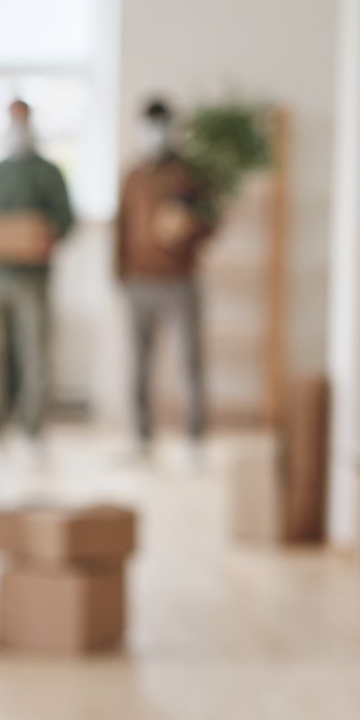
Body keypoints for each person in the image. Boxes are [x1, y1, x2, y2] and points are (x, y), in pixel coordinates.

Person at [0, 99, 75, 448]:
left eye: (23, 120)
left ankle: (34, 428)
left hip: (33, 278)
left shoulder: (48, 173)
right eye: (12, 121)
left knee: (34, 353)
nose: (18, 127)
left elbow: (66, 220)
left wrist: (48, 236)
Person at [116, 97, 216, 459]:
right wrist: (119, 273)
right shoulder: (133, 176)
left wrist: (186, 225)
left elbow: (210, 222)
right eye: (149, 125)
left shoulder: (189, 175)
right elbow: (121, 227)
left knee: (190, 361)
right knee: (138, 364)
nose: (154, 133)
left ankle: (194, 439)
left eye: (160, 124)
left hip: (179, 280)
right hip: (138, 281)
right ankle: (141, 437)